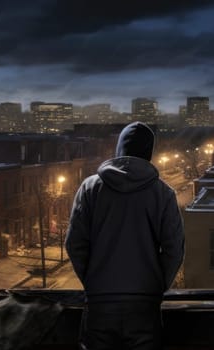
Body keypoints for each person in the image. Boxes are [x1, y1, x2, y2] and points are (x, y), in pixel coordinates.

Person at [65, 121, 185, 350]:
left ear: (119, 149)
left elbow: (75, 244)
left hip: (100, 304)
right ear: (148, 153)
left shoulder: (90, 188)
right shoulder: (164, 194)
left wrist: (94, 280)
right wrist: (156, 286)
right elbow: (174, 250)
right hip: (144, 306)